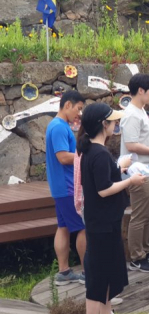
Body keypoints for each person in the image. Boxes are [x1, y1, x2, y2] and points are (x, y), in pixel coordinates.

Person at [78, 103, 146, 314]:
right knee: (99, 271)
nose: (116, 124)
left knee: (108, 268)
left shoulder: (94, 152)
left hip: (105, 221)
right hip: (101, 223)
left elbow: (103, 180)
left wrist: (120, 168)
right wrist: (131, 181)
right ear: (102, 125)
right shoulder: (98, 153)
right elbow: (104, 190)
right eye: (112, 121)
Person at [120, 73, 149, 273]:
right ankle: (137, 257)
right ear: (140, 91)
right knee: (140, 214)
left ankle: (145, 250)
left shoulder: (141, 111)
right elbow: (131, 145)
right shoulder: (131, 114)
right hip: (138, 170)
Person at [45, 90, 87, 286]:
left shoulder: (55, 125)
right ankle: (88, 272)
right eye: (78, 108)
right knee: (83, 228)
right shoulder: (60, 127)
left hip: (60, 187)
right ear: (67, 105)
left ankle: (64, 272)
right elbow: (62, 157)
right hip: (68, 187)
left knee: (63, 227)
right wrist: (85, 155)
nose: (79, 114)